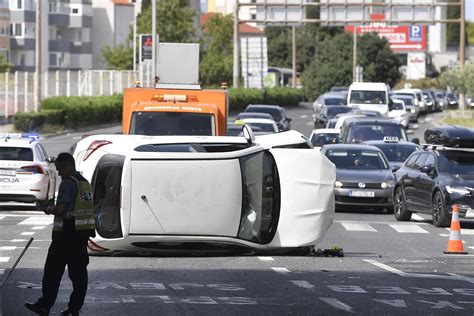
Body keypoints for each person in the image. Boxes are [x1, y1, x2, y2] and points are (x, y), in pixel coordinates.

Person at [25, 153, 95, 316]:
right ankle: (73, 309)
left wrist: (47, 209)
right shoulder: (85, 183)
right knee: (79, 275)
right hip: (81, 235)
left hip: (66, 235)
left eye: (61, 168)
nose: (59, 173)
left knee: (52, 272)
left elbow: (60, 210)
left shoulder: (68, 184)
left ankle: (44, 305)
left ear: (70, 165)